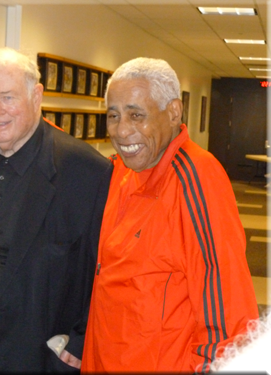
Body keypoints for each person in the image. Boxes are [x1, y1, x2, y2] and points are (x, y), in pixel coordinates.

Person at [0, 47, 113, 373]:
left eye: (7, 97)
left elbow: (99, 264)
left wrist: (81, 337)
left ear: (36, 96)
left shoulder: (84, 170)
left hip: (26, 353)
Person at [80, 57, 259, 373]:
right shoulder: (121, 171)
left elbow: (228, 313)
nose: (122, 131)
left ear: (174, 112)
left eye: (137, 115)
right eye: (113, 116)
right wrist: (7, 131)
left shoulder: (197, 180)